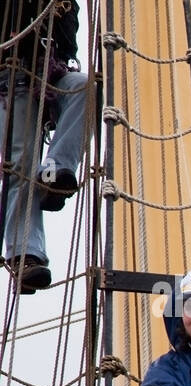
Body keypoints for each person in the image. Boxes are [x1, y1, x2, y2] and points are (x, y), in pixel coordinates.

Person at [1, 0, 90, 293]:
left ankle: (55, 171)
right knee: (21, 165)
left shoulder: (64, 3)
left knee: (83, 86)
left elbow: (66, 47)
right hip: (9, 81)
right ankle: (24, 253)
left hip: (48, 75)